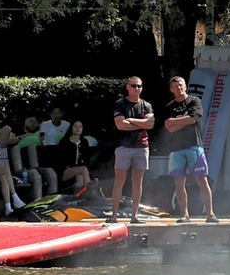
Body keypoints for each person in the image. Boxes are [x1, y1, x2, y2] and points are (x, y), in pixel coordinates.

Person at [159, 76, 211, 220]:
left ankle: (210, 213)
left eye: (181, 85)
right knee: (179, 183)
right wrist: (183, 121)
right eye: (175, 87)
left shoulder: (194, 101)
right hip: (176, 149)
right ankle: (184, 214)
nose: (179, 88)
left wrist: (175, 121)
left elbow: (193, 119)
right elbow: (169, 128)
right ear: (171, 89)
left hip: (195, 146)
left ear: (185, 86)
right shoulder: (170, 107)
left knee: (202, 181)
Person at [109, 76, 154, 218]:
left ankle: (134, 216)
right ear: (127, 87)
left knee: (138, 183)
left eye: (139, 86)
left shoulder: (146, 105)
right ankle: (114, 215)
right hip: (124, 147)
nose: (137, 89)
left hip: (142, 147)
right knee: (119, 181)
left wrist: (132, 121)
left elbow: (150, 125)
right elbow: (121, 125)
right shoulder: (120, 104)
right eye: (134, 86)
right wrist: (141, 123)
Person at [56, 119, 98, 199]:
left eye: (80, 127)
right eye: (75, 126)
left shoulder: (84, 142)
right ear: (71, 128)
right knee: (83, 169)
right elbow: (61, 160)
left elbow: (86, 159)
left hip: (79, 170)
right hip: (65, 171)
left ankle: (80, 197)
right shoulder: (65, 141)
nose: (78, 129)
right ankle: (91, 192)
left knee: (79, 176)